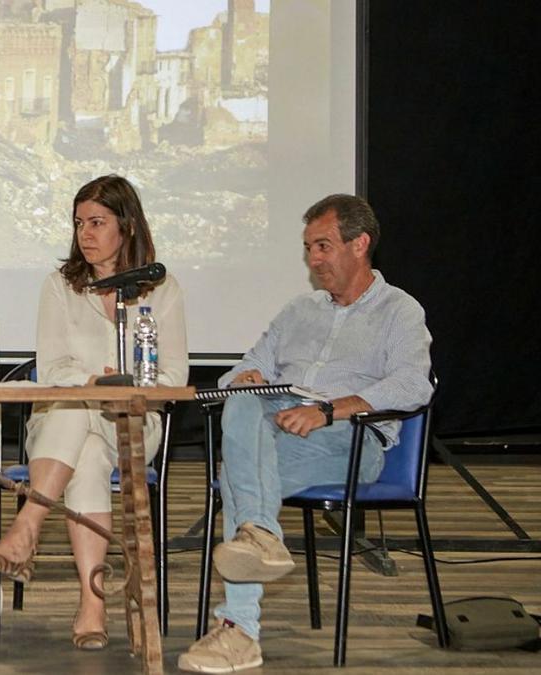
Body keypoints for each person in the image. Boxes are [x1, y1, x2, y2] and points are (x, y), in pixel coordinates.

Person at [177, 194, 433, 673]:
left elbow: (413, 384)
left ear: (360, 244)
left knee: (239, 480)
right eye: (308, 248)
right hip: (277, 426)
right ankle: (260, 536)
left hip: (352, 439)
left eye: (323, 246)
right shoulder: (298, 311)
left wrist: (329, 409)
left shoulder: (400, 311)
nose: (313, 259)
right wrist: (245, 378)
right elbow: (247, 366)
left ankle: (240, 627)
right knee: (241, 400)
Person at [0, 175, 188, 650]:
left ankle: (26, 528)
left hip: (133, 424)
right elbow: (52, 368)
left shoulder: (162, 289)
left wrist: (124, 386)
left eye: (97, 222)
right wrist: (94, 383)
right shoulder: (61, 286)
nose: (85, 234)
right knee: (86, 447)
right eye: (78, 224)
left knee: (86, 413)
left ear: (127, 225)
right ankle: (93, 603)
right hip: (62, 422)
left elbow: (174, 374)